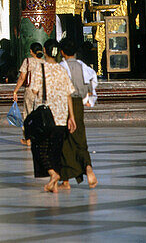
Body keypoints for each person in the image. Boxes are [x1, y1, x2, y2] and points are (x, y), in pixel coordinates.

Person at [25, 39, 77, 193]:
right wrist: (71, 117)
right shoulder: (62, 70)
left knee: (40, 148)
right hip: (62, 115)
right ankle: (53, 184)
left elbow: (33, 91)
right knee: (56, 150)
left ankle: (53, 174)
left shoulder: (40, 69)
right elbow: (69, 94)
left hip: (46, 116)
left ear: (45, 51)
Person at [58, 38, 98, 189]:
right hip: (79, 104)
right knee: (80, 136)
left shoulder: (61, 66)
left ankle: (66, 180)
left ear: (62, 52)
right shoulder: (83, 66)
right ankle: (87, 167)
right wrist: (90, 98)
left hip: (65, 104)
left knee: (66, 140)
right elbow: (93, 80)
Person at [13, 40, 45, 144]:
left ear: (31, 51)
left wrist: (15, 91)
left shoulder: (27, 61)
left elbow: (22, 77)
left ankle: (29, 138)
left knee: (28, 114)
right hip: (42, 91)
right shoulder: (45, 62)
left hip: (30, 90)